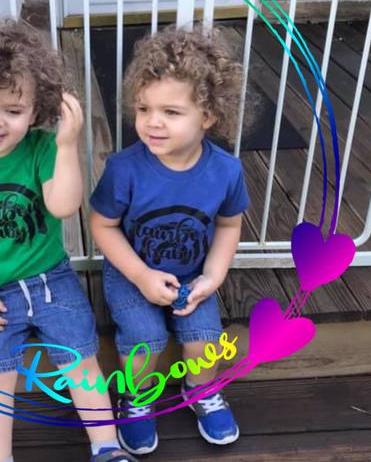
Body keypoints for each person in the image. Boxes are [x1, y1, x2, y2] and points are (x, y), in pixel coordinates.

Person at [0, 19, 137, 462]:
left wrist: (67, 146)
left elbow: (63, 205)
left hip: (51, 281)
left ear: (36, 109)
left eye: (12, 110)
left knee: (81, 359)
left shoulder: (41, 149)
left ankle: (106, 447)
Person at [90, 26, 250, 455]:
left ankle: (200, 391)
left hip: (192, 274)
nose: (152, 122)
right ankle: (136, 397)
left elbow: (229, 226)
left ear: (208, 116)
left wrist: (213, 277)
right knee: (146, 339)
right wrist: (140, 275)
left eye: (171, 112)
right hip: (131, 273)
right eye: (144, 108)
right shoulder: (124, 168)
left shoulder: (226, 171)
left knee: (204, 339)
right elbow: (102, 225)